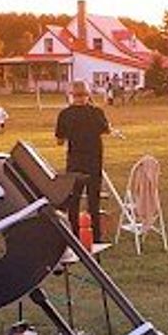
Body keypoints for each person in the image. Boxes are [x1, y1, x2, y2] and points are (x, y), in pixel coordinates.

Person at [56, 79, 111, 242]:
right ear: (88, 94)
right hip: (94, 161)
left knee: (74, 201)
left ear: (71, 95)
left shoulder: (65, 114)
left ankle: (74, 237)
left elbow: (60, 140)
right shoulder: (96, 112)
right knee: (93, 201)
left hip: (75, 162)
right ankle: (96, 237)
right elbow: (106, 130)